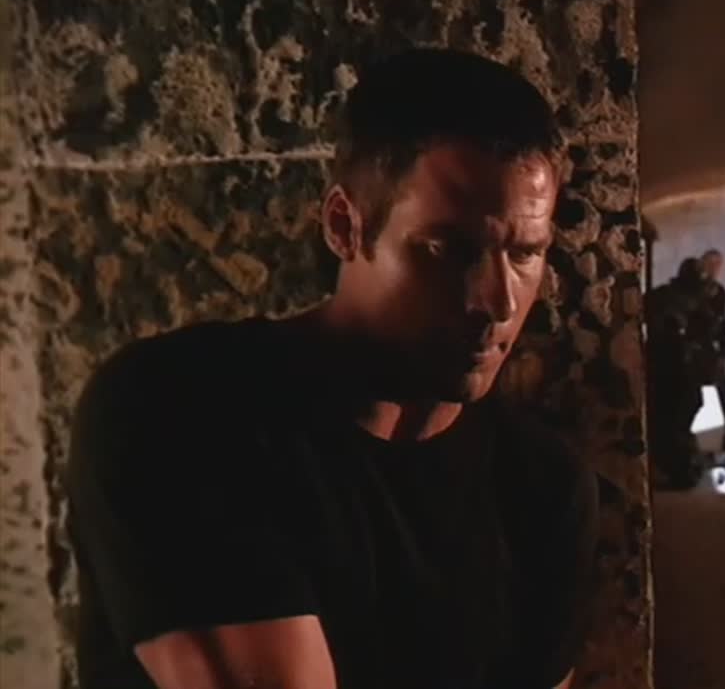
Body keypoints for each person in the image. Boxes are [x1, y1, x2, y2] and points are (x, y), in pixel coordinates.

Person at [66, 48, 598, 689]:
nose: (499, 301)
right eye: (447, 250)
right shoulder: (179, 411)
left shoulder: (541, 484)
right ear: (346, 225)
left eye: (526, 253)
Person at [645, 257, 712, 489]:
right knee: (669, 419)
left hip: (682, 365)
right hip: (665, 365)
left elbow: (705, 329)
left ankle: (678, 463)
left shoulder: (697, 298)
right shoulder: (664, 297)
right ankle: (672, 465)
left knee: (684, 411)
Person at [699, 248, 725, 424]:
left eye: (717, 264)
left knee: (723, 385)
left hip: (709, 346)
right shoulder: (692, 287)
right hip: (691, 345)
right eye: (710, 264)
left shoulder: (720, 292)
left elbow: (722, 323)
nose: (714, 268)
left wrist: (723, 353)